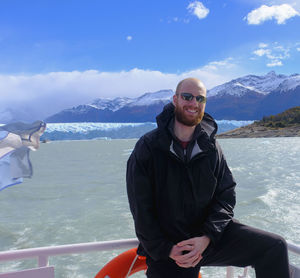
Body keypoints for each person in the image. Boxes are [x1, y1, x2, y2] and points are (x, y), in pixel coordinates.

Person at [126, 78, 290, 278]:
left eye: (200, 98)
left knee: (273, 247)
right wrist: (167, 249)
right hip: (172, 247)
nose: (194, 103)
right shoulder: (149, 147)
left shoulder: (210, 147)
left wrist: (207, 237)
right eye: (187, 97)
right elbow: (141, 210)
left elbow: (226, 195)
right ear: (175, 100)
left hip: (209, 237)